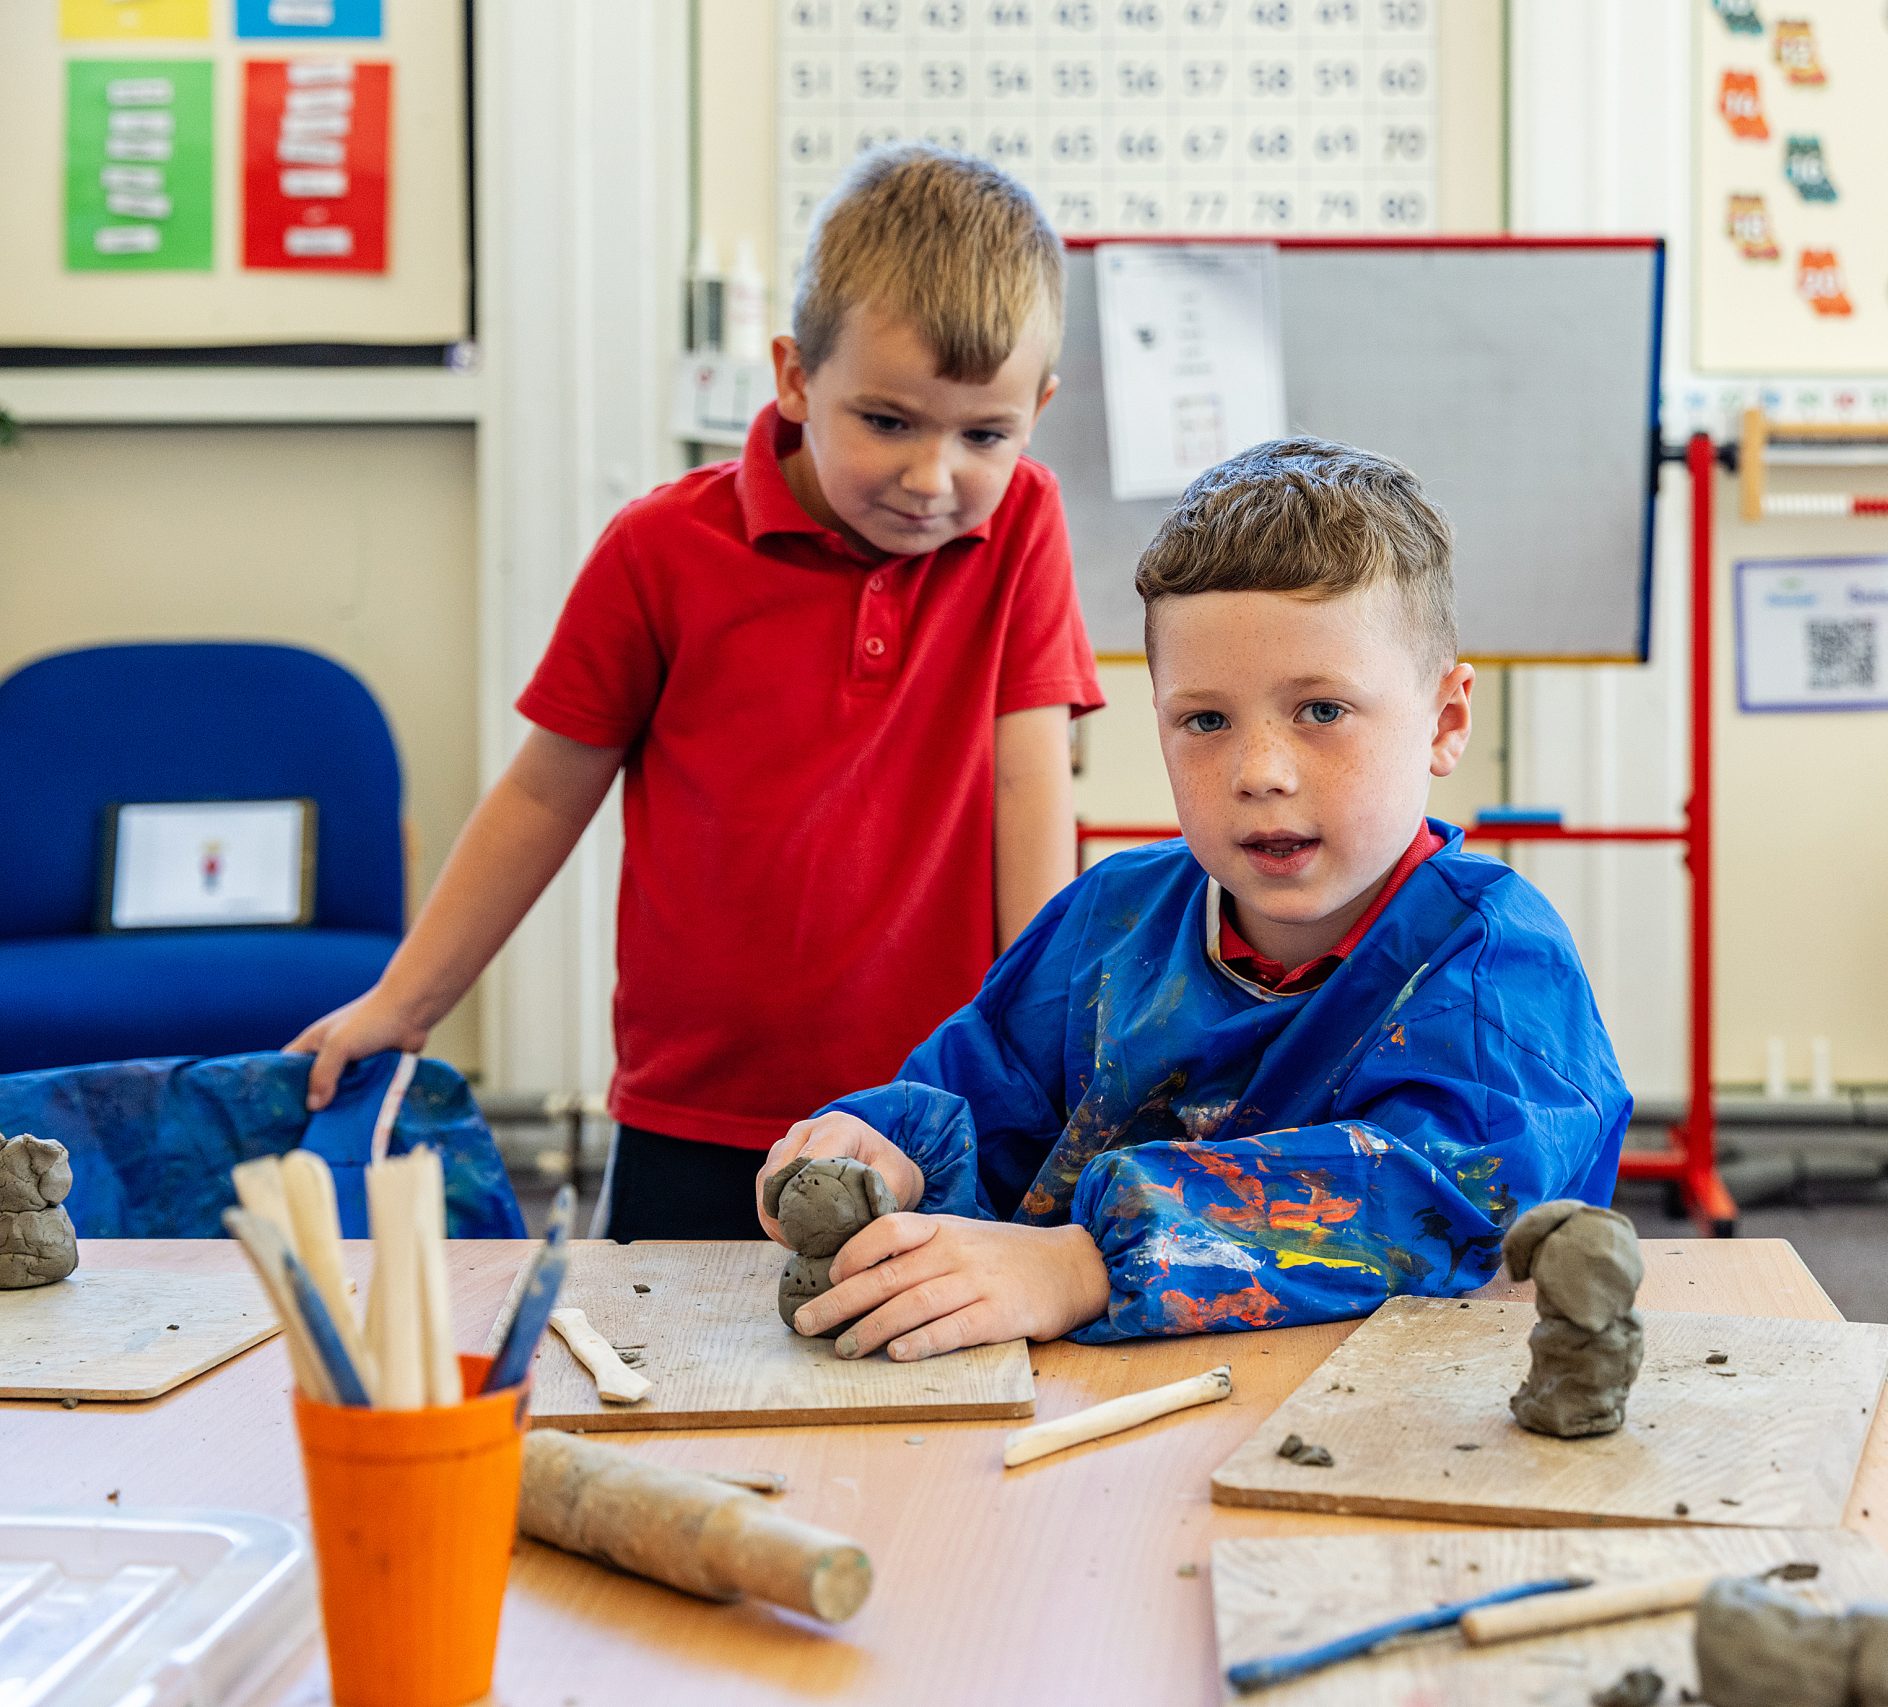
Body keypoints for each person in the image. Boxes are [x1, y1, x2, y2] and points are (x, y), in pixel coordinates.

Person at [288, 146, 1103, 1238]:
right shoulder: (661, 550)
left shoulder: (1020, 525)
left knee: (930, 1392)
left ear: (1037, 410)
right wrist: (405, 1003)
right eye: (888, 421)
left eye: (984, 435)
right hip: (699, 1108)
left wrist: (1026, 1053)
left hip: (930, 1112)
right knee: (663, 1376)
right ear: (795, 378)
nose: (932, 478)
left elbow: (1028, 785)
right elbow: (543, 796)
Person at [758, 438, 1632, 1356]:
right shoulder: (1114, 917)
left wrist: (1085, 1264)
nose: (1259, 772)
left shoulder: (1496, 964)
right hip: (1109, 1446)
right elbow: (982, 1093)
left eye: (1321, 710)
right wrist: (883, 1144)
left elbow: (1439, 1199)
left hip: (1385, 1436)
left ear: (1445, 722)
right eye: (1205, 720)